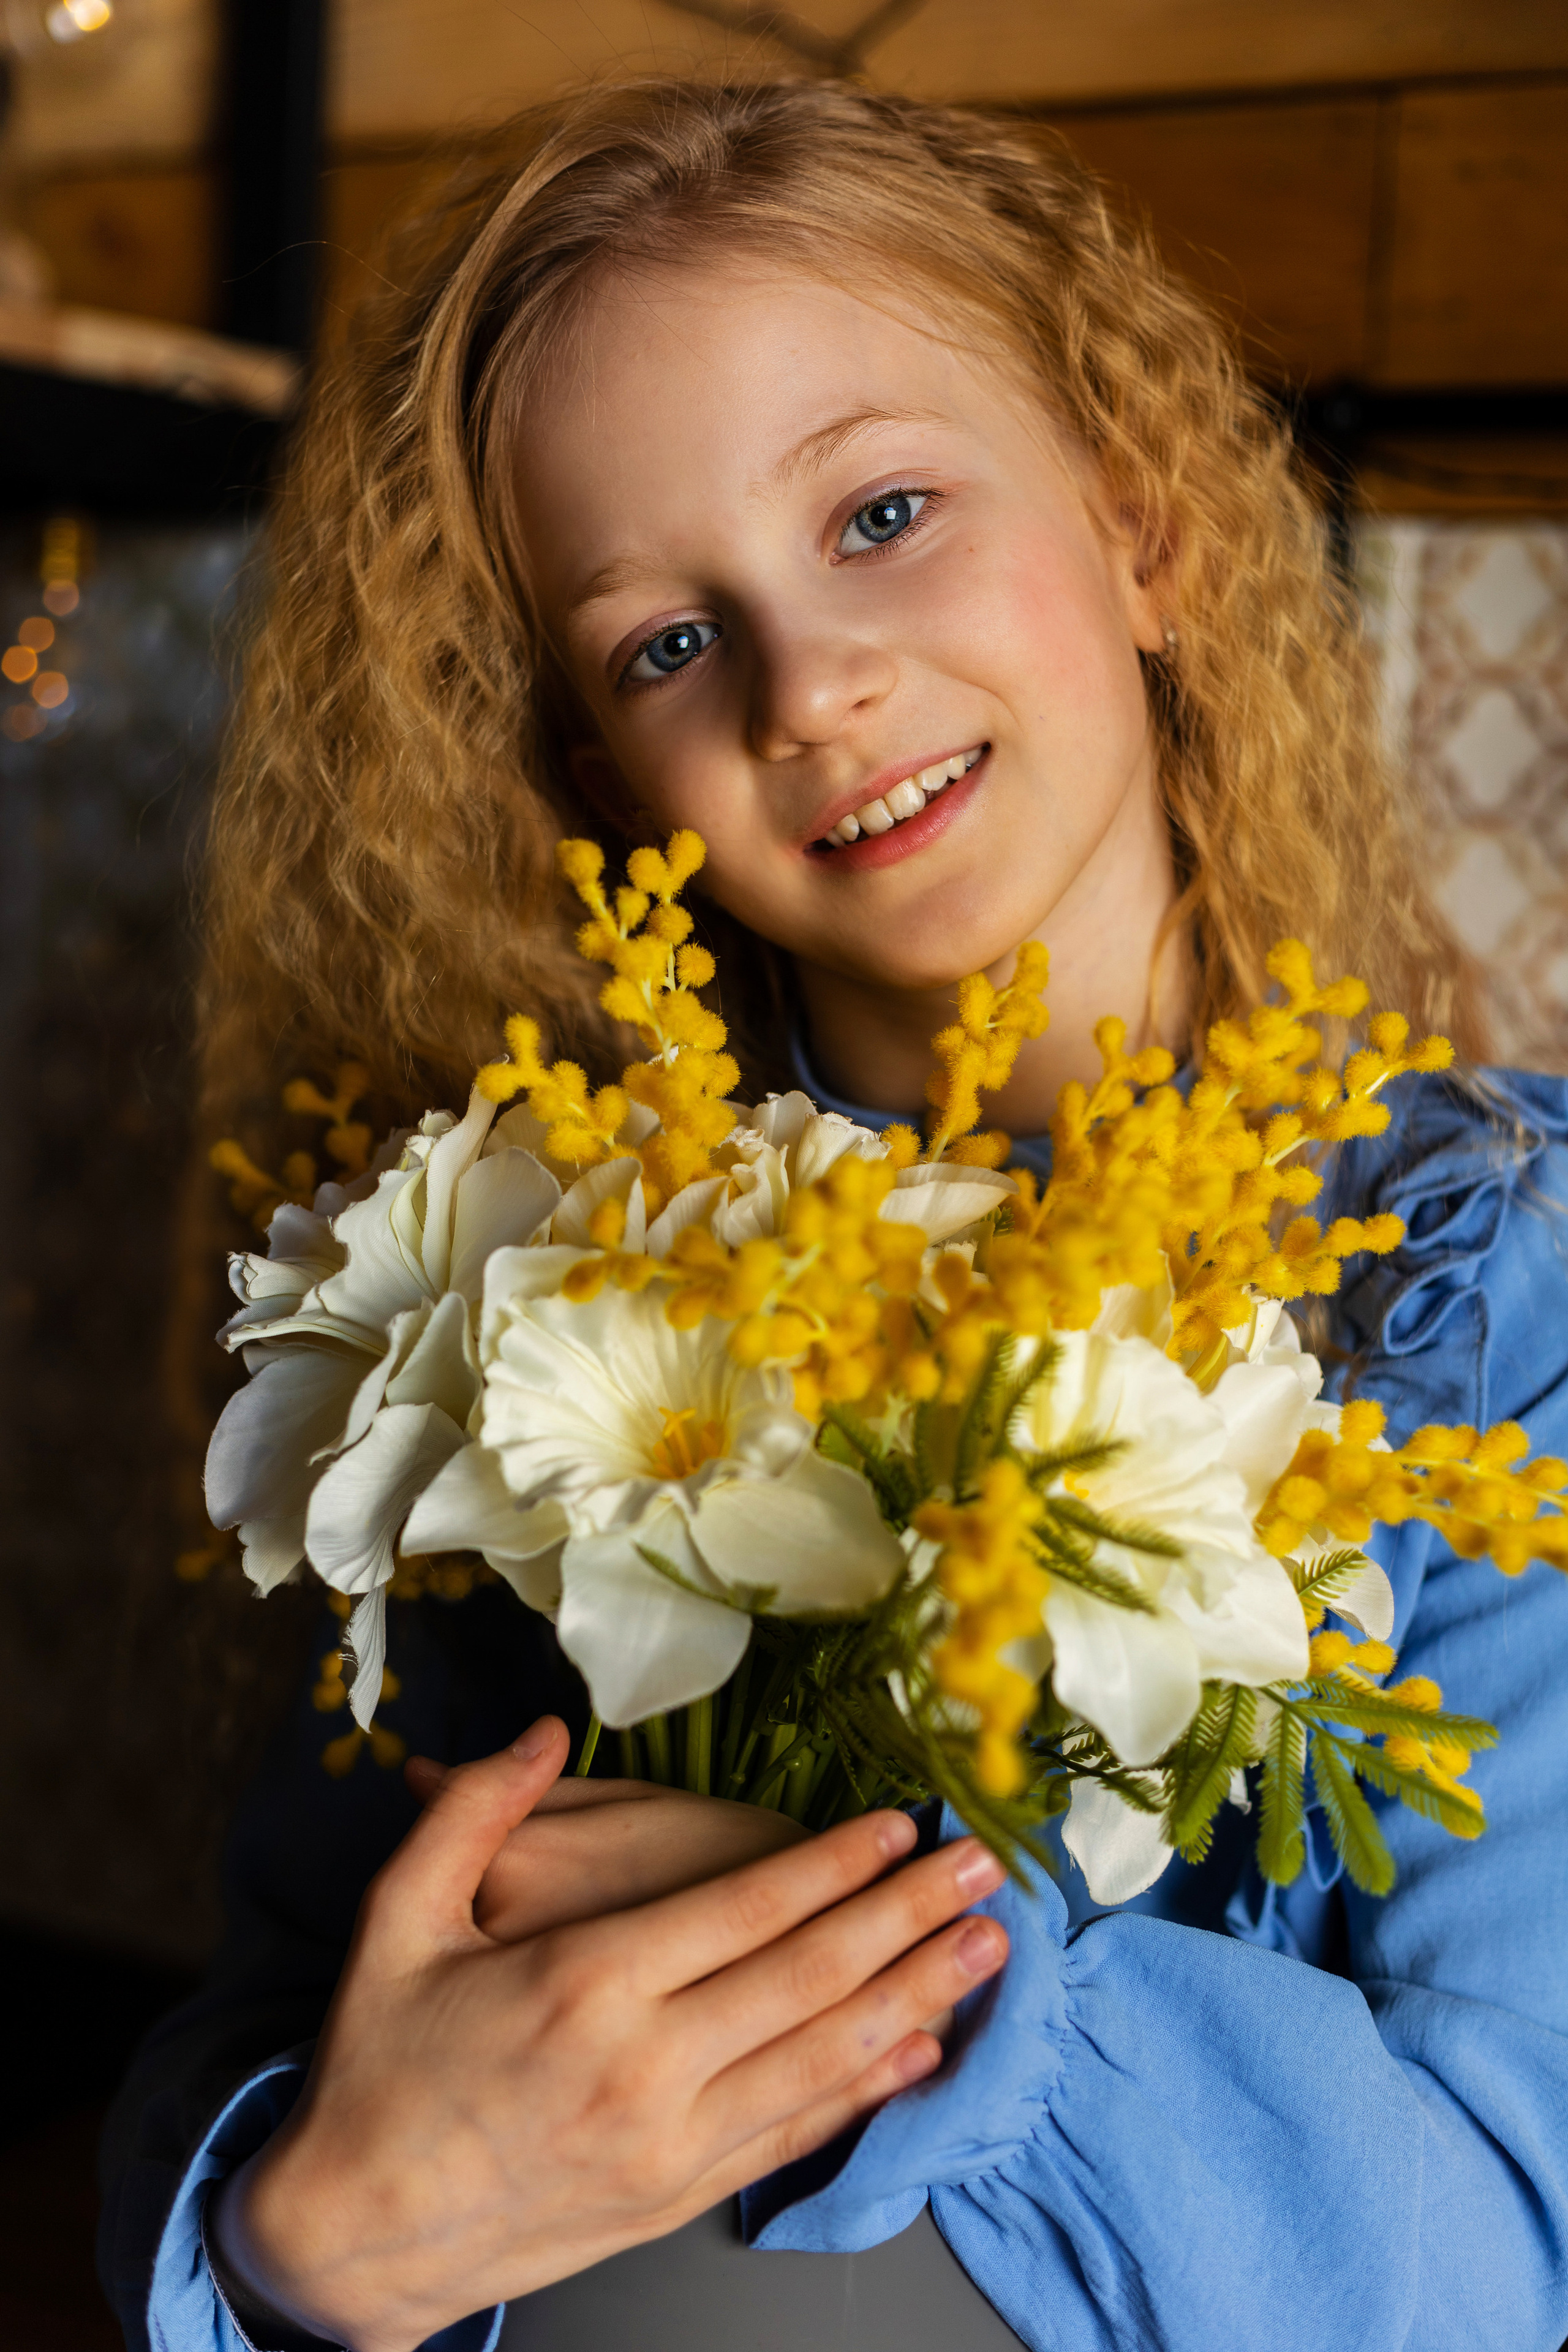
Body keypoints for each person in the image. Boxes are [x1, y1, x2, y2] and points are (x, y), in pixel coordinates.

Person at [99, 77, 1568, 2352]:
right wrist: (304, 2237)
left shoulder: (1507, 1302)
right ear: (611, 785)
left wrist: (893, 1948)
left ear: (1145, 523)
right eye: (667, 647)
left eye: (885, 509)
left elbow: (1519, 2257)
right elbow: (290, 2014)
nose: (813, 682)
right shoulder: (533, 1315)